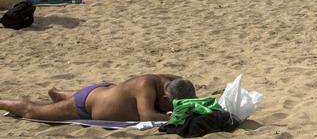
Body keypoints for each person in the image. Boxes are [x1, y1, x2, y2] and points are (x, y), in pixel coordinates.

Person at [0, 75, 194, 122]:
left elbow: (186, 91)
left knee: (104, 94)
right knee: (31, 111)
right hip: (86, 105)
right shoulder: (147, 88)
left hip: (104, 92)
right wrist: (175, 117)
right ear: (164, 97)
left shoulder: (170, 80)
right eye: (172, 105)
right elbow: (147, 116)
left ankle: (59, 94)